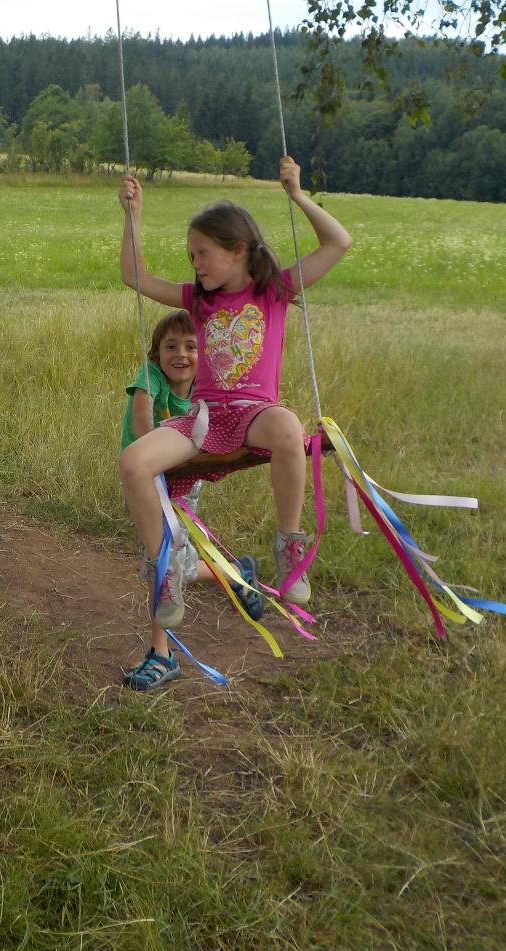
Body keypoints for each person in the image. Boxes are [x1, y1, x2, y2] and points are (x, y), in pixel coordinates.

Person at [117, 156, 352, 629]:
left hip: (254, 414)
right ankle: (167, 569)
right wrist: (133, 215)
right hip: (203, 418)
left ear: (238, 250)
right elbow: (135, 278)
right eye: (192, 256)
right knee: (134, 462)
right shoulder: (198, 300)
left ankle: (289, 545)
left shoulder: (275, 291)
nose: (196, 264)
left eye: (203, 253)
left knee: (287, 426)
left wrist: (297, 195)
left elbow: (338, 242)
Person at [119, 309, 265, 691]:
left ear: (205, 356)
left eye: (190, 346)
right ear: (157, 354)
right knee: (172, 566)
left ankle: (161, 654)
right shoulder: (151, 377)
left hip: (182, 484)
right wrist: (153, 458)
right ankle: (233, 573)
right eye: (171, 346)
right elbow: (141, 419)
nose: (180, 354)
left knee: (163, 565)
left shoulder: (204, 389)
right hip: (147, 483)